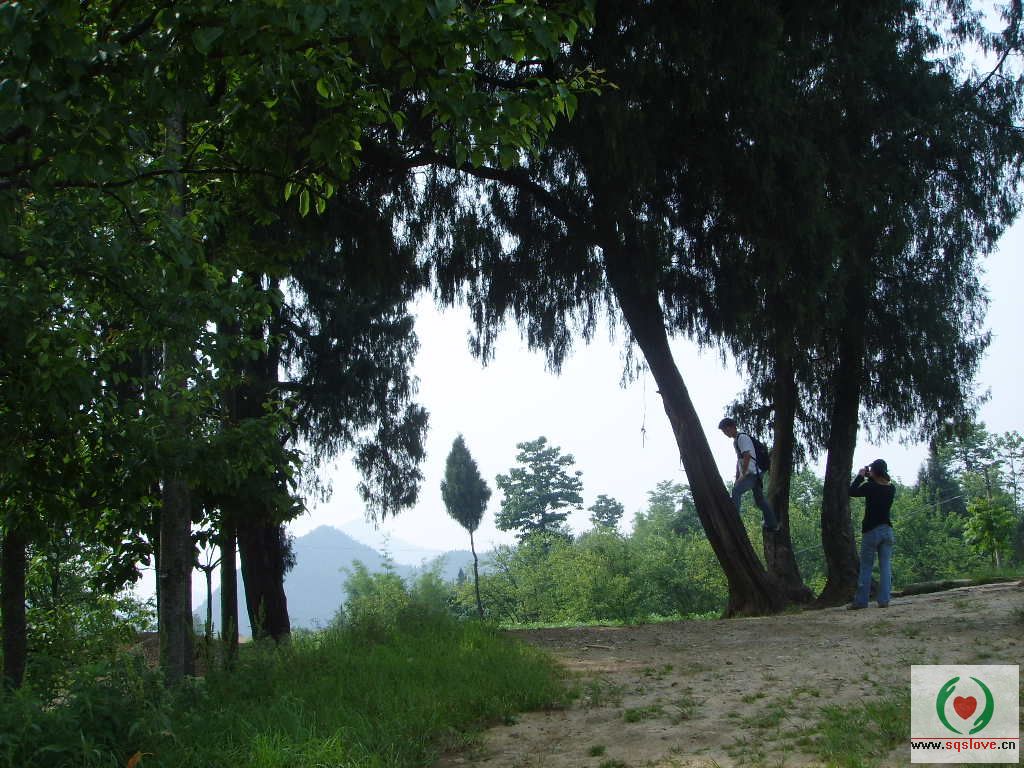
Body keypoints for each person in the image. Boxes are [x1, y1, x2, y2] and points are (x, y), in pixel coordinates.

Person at [847, 459, 896, 610]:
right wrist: (871, 476)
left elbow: (851, 491)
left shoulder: (869, 487)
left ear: (874, 471)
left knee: (866, 567)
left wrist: (860, 476)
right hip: (887, 530)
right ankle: (884, 599)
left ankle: (861, 601)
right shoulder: (891, 488)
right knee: (885, 566)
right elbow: (879, 485)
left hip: (871, 530)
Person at [717, 417, 780, 533]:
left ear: (732, 427)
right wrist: (737, 475)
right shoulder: (736, 441)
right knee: (760, 500)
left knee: (736, 491)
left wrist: (743, 474)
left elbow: (746, 456)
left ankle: (734, 521)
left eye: (726, 430)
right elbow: (739, 460)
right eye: (724, 431)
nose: (725, 433)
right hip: (754, 473)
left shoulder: (742, 438)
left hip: (752, 473)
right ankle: (773, 524)